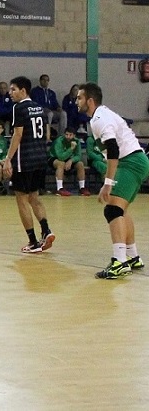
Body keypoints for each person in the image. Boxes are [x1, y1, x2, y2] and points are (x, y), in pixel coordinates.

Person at [76, 82, 149, 279]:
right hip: (136, 161)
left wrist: (107, 183)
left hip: (130, 162)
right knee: (122, 210)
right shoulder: (100, 116)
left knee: (112, 209)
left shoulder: (100, 118)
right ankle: (132, 257)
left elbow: (113, 149)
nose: (76, 101)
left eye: (79, 98)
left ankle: (119, 262)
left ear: (90, 101)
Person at [2, 76, 54, 254]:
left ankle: (33, 241)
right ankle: (46, 231)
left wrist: (8, 158)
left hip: (24, 160)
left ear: (23, 91)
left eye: (13, 89)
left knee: (21, 199)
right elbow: (46, 136)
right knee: (34, 197)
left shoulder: (19, 107)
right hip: (40, 158)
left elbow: (17, 135)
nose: (10, 93)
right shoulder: (40, 108)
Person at [49, 127, 88, 196]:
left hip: (68, 159)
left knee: (80, 164)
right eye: (66, 134)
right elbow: (61, 157)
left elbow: (78, 156)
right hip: (54, 158)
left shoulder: (77, 141)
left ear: (74, 136)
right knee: (61, 163)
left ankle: (82, 187)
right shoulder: (59, 141)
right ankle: (59, 188)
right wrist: (71, 148)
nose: (68, 137)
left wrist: (71, 160)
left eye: (70, 135)